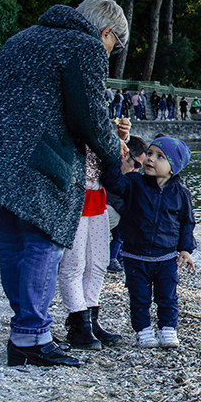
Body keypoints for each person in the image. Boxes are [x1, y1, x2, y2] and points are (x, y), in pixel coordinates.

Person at [0, 0, 129, 367]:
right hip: (41, 160)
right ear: (106, 32)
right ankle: (32, 338)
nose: (111, 51)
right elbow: (88, 113)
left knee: (12, 244)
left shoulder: (22, 37)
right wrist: (113, 148)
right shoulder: (85, 46)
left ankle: (24, 331)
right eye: (115, 45)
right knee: (42, 244)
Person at [102, 136, 195, 349]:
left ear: (173, 167)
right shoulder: (135, 184)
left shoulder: (181, 194)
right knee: (139, 297)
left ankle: (168, 328)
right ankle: (143, 330)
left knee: (167, 296)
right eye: (150, 154)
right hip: (135, 256)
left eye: (160, 157)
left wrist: (185, 250)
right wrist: (118, 156)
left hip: (166, 258)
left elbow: (187, 224)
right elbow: (112, 181)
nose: (150, 159)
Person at [56, 145, 122, 349]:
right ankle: (78, 322)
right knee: (73, 263)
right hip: (74, 194)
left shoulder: (98, 128)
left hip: (96, 194)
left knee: (99, 261)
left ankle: (91, 319)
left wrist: (120, 139)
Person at [106, 135, 147, 274]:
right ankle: (113, 257)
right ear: (126, 154)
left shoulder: (126, 177)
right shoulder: (110, 170)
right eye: (136, 165)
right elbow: (113, 195)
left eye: (139, 167)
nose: (136, 170)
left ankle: (117, 256)